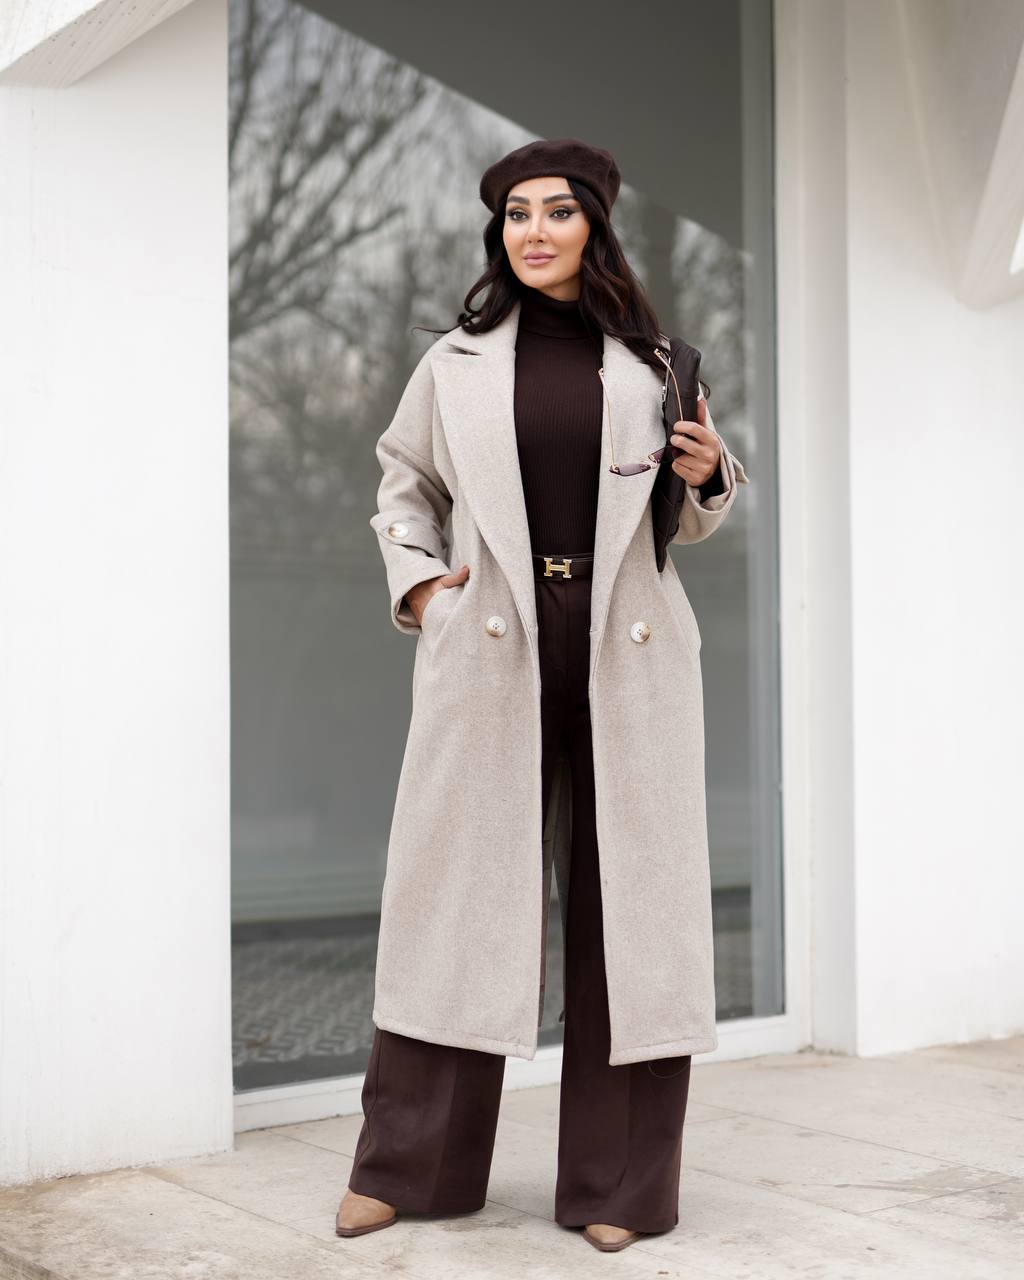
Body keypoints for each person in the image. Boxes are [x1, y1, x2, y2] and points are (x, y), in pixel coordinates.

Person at [336, 138, 747, 1253]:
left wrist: (710, 474)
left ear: (593, 228)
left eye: (557, 212)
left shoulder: (659, 364)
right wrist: (423, 587)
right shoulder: (455, 362)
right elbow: (403, 484)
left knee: (630, 918)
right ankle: (409, 1168)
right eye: (515, 213)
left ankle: (621, 1187)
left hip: (627, 651)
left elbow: (686, 514)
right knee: (455, 902)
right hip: (492, 644)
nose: (533, 231)